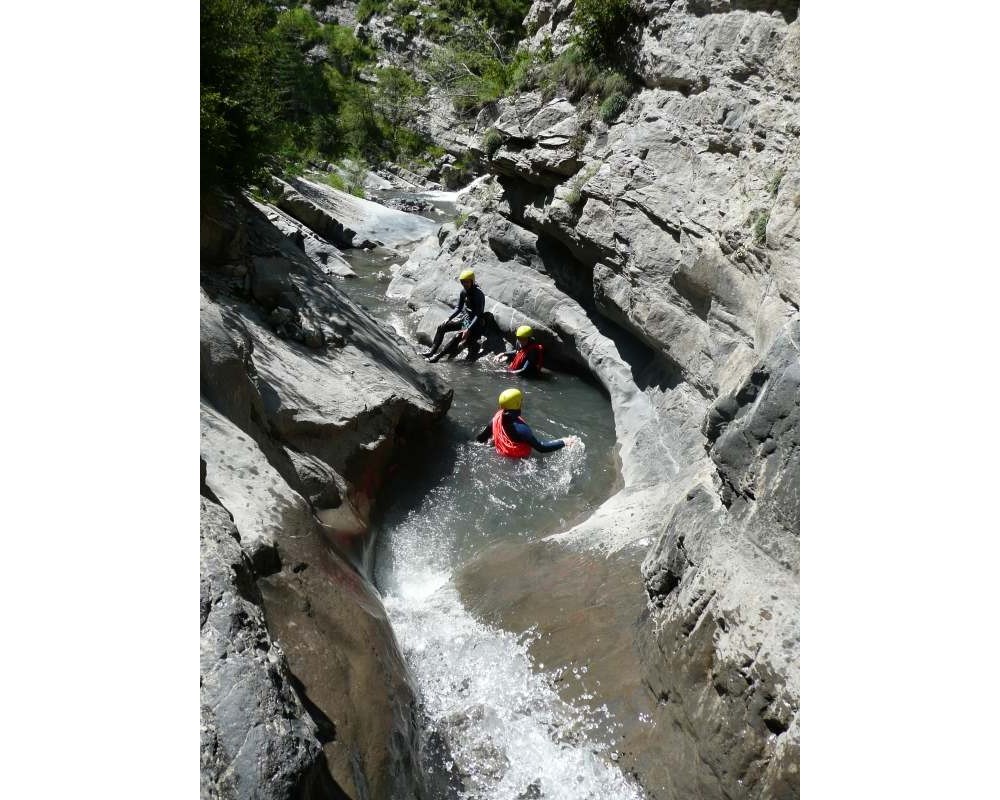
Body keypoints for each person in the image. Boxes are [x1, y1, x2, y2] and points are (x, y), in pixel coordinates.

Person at [475, 388, 579, 458]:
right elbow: (542, 448)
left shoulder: (495, 420)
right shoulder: (522, 429)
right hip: (518, 461)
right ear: (517, 404)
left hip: (500, 454)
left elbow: (480, 439)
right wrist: (564, 442)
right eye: (521, 401)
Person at [423, 269, 486, 363]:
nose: (465, 284)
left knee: (457, 337)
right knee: (442, 327)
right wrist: (449, 318)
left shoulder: (479, 295)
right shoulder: (463, 292)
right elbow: (459, 307)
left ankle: (438, 357)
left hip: (475, 324)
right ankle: (432, 351)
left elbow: (478, 314)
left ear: (472, 281)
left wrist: (468, 329)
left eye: (467, 282)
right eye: (463, 282)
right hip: (466, 320)